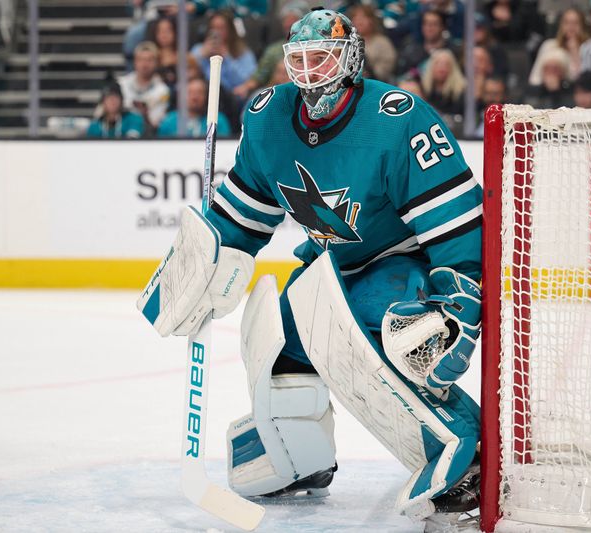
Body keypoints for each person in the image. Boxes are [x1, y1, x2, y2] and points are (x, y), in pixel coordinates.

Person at [137, 8, 483, 530]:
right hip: (330, 268)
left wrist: (459, 300)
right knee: (277, 346)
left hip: (400, 260)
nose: (309, 71)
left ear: (351, 60)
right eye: (299, 59)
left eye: (322, 58)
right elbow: (241, 215)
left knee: (361, 339)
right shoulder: (268, 118)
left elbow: (455, 224)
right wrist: (202, 267)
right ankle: (304, 461)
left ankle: (464, 460)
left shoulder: (398, 118)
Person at [231, 0, 308, 101]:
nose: (288, 23)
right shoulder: (274, 51)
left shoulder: (316, 47)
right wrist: (245, 87)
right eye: (286, 20)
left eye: (293, 19)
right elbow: (259, 76)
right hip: (278, 92)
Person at [191, 10, 257, 94]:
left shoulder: (243, 52)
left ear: (230, 30)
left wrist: (227, 56)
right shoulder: (199, 49)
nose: (216, 32)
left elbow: (245, 80)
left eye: (221, 28)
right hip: (203, 94)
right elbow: (185, 72)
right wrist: (201, 54)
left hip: (230, 96)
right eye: (213, 28)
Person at [528, 7, 589, 86]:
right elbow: (535, 78)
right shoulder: (549, 45)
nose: (571, 27)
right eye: (566, 22)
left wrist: (574, 52)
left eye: (575, 23)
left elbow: (584, 80)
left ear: (582, 26)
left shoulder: (589, 49)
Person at [118, 41, 170, 132]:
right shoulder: (121, 84)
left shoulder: (163, 91)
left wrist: (144, 113)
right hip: (121, 134)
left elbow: (156, 123)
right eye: (141, 60)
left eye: (149, 60)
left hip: (149, 136)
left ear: (156, 63)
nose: (145, 64)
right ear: (135, 62)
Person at [157, 77, 231, 137]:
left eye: (200, 92)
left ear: (207, 96)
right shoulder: (169, 121)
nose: (195, 97)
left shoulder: (217, 120)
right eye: (190, 92)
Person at [349, 4, 397, 83]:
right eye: (355, 17)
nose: (359, 21)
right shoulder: (348, 43)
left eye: (363, 17)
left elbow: (387, 67)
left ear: (372, 20)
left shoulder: (382, 42)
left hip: (376, 83)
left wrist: (367, 74)